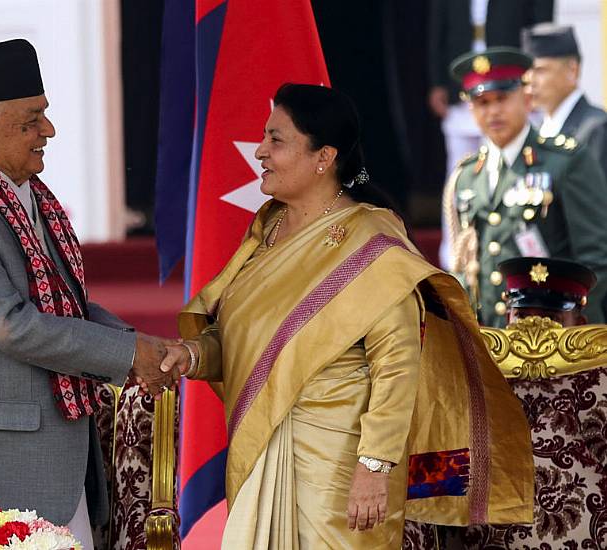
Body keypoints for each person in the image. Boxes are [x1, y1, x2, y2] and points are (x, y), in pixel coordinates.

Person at [159, 83, 534, 549]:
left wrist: (374, 468)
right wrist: (193, 356)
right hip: (264, 449)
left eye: (276, 140)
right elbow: (246, 339)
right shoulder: (268, 228)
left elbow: (397, 366)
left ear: (324, 156)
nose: (260, 151)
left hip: (341, 468)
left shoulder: (372, 242)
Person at [0, 39, 176, 550]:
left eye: (45, 115)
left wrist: (133, 342)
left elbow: (64, 306)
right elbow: (11, 323)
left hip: (47, 458)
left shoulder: (27, 194)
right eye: (31, 120)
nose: (49, 131)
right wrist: (129, 354)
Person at [442, 256, 607, 547]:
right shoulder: (470, 372)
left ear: (579, 324)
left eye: (551, 319)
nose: (535, 332)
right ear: (508, 318)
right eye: (522, 316)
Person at [443, 47, 607, 328]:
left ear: (527, 98)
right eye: (482, 102)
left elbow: (596, 260)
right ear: (470, 108)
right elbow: (465, 265)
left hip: (558, 339)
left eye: (502, 99)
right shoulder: (468, 176)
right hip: (493, 340)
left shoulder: (565, 161)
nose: (493, 111)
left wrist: (563, 323)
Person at [430, 0, 554, 269]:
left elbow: (541, 23)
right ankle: (454, 258)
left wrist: (535, 80)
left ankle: (513, 253)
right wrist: (436, 82)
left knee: (516, 170)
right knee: (458, 175)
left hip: (510, 85)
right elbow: (437, 28)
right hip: (463, 87)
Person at [522, 23, 607, 180]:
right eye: (527, 71)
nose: (530, 80)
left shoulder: (597, 129)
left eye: (540, 70)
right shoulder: (537, 131)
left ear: (572, 71)